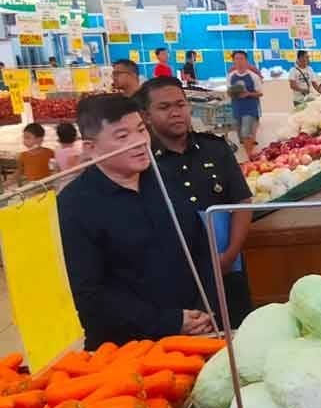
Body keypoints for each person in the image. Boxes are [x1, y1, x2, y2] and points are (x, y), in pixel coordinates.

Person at [57, 94, 216, 348]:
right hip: (127, 349)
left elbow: (201, 247)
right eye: (122, 136)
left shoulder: (166, 179)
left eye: (141, 129)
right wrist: (170, 321)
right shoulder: (74, 205)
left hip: (197, 332)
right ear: (90, 148)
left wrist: (205, 308)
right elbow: (90, 295)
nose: (139, 142)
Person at [139, 76, 255, 326]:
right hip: (175, 280)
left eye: (180, 105)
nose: (175, 113)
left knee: (238, 335)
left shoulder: (215, 148)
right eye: (164, 107)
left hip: (227, 270)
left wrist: (230, 254)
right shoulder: (143, 162)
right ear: (146, 116)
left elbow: (242, 202)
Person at [228, 51, 263, 158]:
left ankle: (250, 156)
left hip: (250, 108)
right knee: (240, 135)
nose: (239, 61)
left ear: (246, 60)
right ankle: (249, 152)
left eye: (241, 59)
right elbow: (229, 91)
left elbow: (260, 93)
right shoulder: (231, 76)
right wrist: (233, 93)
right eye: (237, 59)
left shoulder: (253, 76)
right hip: (237, 108)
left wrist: (248, 94)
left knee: (246, 132)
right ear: (233, 61)